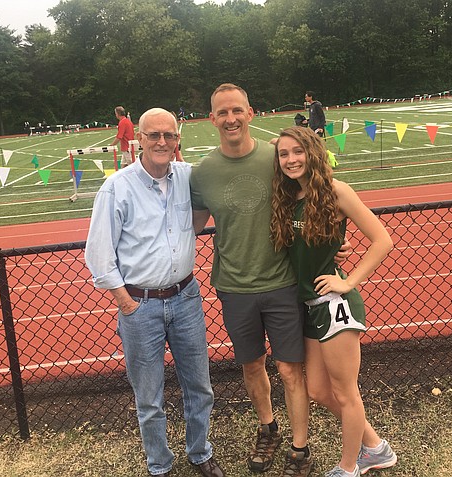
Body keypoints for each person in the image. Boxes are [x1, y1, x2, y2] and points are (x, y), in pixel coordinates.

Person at [85, 108, 225, 477]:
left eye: (169, 135)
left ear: (178, 139)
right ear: (139, 140)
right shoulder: (117, 186)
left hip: (186, 297)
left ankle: (200, 453)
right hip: (140, 305)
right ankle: (159, 464)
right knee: (149, 397)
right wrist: (126, 303)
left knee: (200, 385)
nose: (162, 142)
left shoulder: (188, 177)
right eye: (153, 135)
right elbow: (99, 254)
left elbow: (230, 187)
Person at [190, 83, 314, 477]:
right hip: (234, 287)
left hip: (282, 283)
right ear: (212, 119)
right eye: (222, 112)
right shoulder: (202, 173)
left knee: (292, 370)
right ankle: (268, 428)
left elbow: (316, 198)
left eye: (237, 111)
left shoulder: (276, 157)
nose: (231, 119)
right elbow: (186, 229)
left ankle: (300, 449)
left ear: (250, 113)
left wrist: (334, 247)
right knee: (251, 365)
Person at [270, 126, 397, 477]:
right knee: (319, 390)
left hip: (334, 305)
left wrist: (349, 280)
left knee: (345, 393)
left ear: (313, 153)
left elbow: (382, 240)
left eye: (298, 151)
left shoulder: (336, 191)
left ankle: (349, 467)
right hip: (309, 306)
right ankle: (376, 447)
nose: (291, 159)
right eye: (284, 154)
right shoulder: (291, 197)